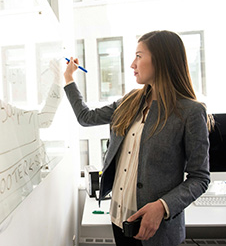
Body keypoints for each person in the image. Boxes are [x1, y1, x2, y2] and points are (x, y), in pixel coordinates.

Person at [63, 30, 211, 246]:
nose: (132, 64)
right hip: (119, 219)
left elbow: (200, 177)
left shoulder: (190, 112)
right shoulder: (130, 101)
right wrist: (68, 78)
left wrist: (162, 206)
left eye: (139, 56)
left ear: (161, 60)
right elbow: (86, 117)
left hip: (155, 230)